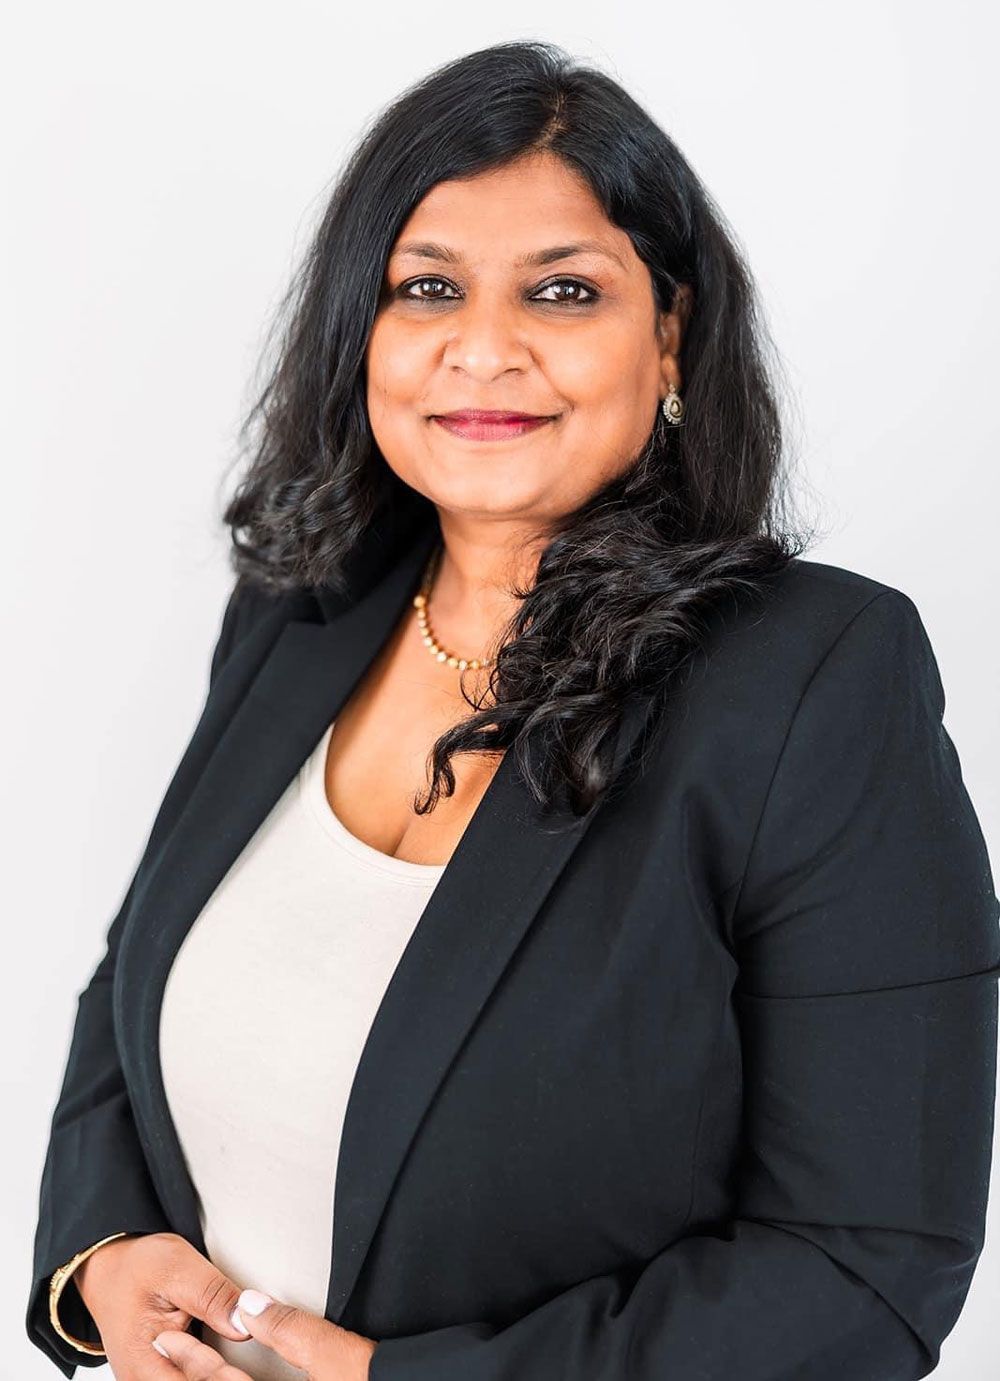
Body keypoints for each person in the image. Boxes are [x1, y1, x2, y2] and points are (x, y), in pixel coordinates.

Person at [28, 37, 1000, 1381]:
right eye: (427, 287)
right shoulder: (305, 609)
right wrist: (99, 1254)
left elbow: (864, 1266)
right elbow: (132, 969)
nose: (482, 348)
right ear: (360, 339)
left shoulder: (815, 680)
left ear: (670, 334)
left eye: (561, 290)